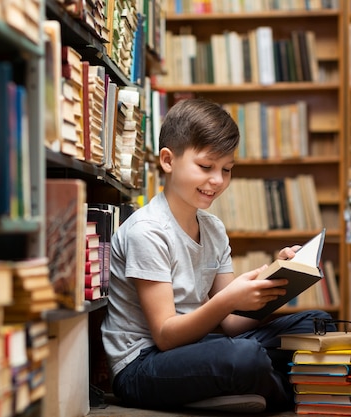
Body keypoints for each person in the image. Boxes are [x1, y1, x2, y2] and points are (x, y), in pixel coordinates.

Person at [100, 98, 335, 413]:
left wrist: (275, 282)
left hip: (194, 350)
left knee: (317, 324)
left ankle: (245, 387)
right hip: (142, 364)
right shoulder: (147, 230)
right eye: (206, 167)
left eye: (226, 169)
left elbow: (233, 324)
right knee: (244, 357)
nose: (218, 181)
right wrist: (228, 299)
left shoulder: (212, 227)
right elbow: (166, 336)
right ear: (168, 161)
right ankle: (288, 392)